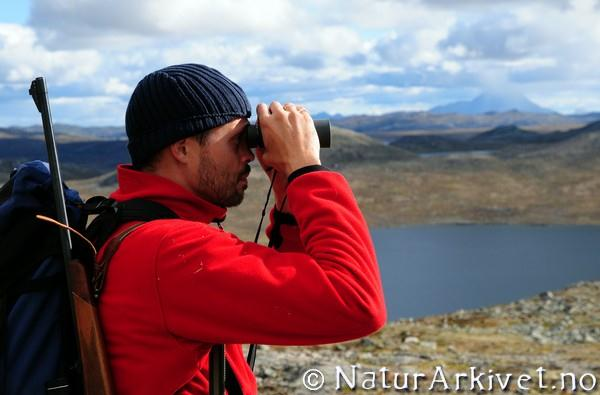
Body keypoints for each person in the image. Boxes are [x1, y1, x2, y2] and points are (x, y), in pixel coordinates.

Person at [98, 63, 386, 394]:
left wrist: (287, 190)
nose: (249, 154)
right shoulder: (173, 250)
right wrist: (305, 169)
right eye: (237, 140)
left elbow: (294, 296)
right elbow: (356, 304)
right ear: (182, 149)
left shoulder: (131, 224)